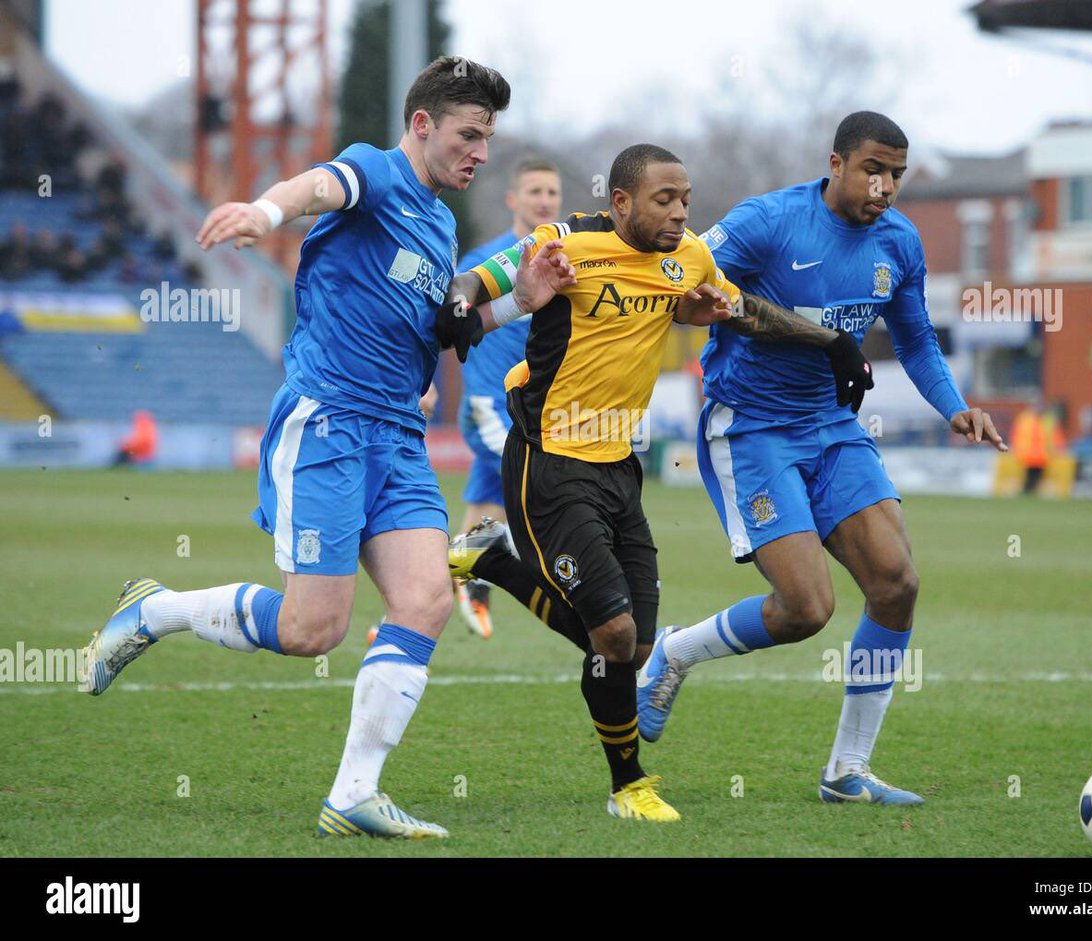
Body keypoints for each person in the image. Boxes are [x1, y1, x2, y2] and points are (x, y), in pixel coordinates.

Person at [80, 56, 568, 839]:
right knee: (314, 629)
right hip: (330, 424)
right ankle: (158, 608)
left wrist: (521, 301)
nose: (480, 151)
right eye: (468, 134)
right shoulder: (376, 173)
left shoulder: (441, 226)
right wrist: (266, 213)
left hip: (398, 437)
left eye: (487, 137)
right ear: (422, 125)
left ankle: (353, 794)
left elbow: (448, 329)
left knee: (426, 600)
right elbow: (317, 187)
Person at [445, 144, 861, 821]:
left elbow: (741, 309)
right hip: (548, 461)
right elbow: (475, 283)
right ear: (621, 203)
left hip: (619, 469)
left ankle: (488, 560)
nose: (678, 213)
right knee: (610, 634)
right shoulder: (563, 243)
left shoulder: (688, 257)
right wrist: (463, 308)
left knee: (632, 648)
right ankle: (628, 785)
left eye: (685, 200)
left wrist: (830, 341)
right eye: (663, 200)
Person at [637, 111, 1007, 806]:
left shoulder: (899, 241)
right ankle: (675, 652)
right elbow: (687, 288)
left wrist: (954, 405)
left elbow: (918, 339)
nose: (885, 186)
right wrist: (807, 335)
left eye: (896, 173)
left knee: (896, 582)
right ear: (835, 164)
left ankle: (847, 770)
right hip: (750, 428)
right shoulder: (768, 222)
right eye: (873, 169)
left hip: (833, 427)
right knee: (806, 608)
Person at [453, 158, 563, 638]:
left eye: (552, 193)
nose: (545, 200)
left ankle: (406, 613)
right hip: (489, 406)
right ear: (513, 199)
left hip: (533, 409)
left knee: (481, 514)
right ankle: (566, 580)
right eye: (535, 191)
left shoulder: (564, 261)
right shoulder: (485, 264)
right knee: (547, 481)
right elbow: (444, 324)